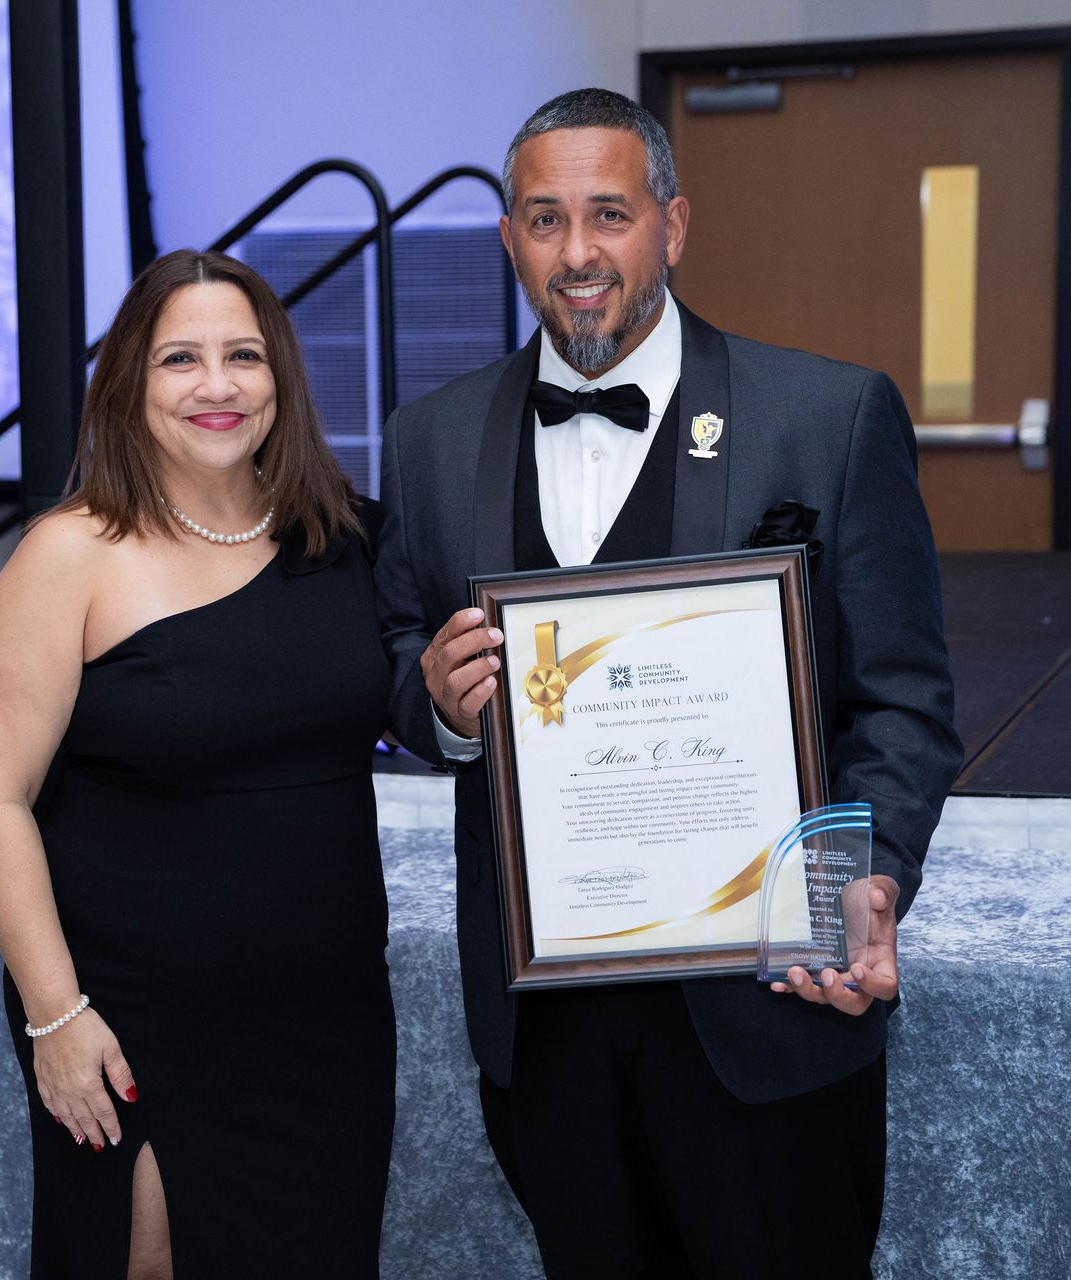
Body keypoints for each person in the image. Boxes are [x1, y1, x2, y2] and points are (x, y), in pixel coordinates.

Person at [374, 88, 960, 1278]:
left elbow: (902, 700)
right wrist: (434, 701)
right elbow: (393, 648)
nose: (578, 252)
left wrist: (862, 878)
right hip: (547, 1035)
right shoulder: (429, 439)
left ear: (673, 226)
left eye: (610, 214)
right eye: (545, 219)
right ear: (510, 238)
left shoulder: (828, 415)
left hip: (767, 1020)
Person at [0, 249, 394, 1279]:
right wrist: (56, 1015)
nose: (216, 384)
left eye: (244, 355)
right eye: (179, 359)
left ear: (279, 377)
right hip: (134, 1018)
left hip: (326, 1016)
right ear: (129, 383)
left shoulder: (347, 535)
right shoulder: (71, 553)